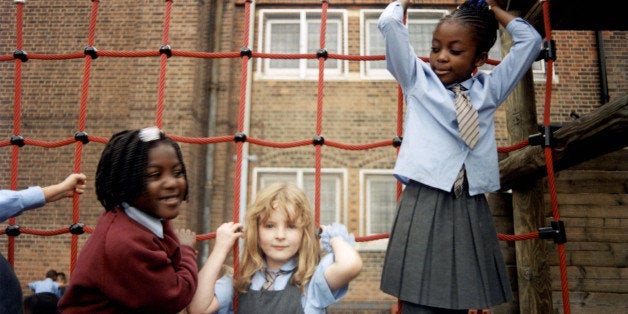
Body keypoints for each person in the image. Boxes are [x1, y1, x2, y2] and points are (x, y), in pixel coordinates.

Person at [378, 0, 542, 312]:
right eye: (436, 47)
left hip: (468, 202)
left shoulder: (489, 90)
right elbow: (389, 24)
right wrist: (404, 1)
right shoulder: (416, 79)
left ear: (480, 57)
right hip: (424, 198)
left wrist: (494, 11)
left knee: (462, 293)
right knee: (417, 294)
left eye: (455, 51)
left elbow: (530, 41)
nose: (440, 57)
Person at [57, 127, 198, 313]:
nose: (171, 183)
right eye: (154, 175)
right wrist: (186, 251)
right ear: (127, 182)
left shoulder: (144, 220)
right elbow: (175, 296)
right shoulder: (126, 242)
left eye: (177, 173)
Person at [187, 182, 363, 314]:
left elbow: (350, 265)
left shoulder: (311, 282)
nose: (280, 235)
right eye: (270, 226)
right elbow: (197, 308)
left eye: (291, 226)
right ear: (256, 230)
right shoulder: (240, 281)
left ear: (304, 232)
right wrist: (220, 248)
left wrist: (333, 237)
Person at [0, 173, 86, 314]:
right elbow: (13, 201)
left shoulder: (41, 283)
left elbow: (12, 201)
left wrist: (60, 189)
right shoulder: (53, 284)